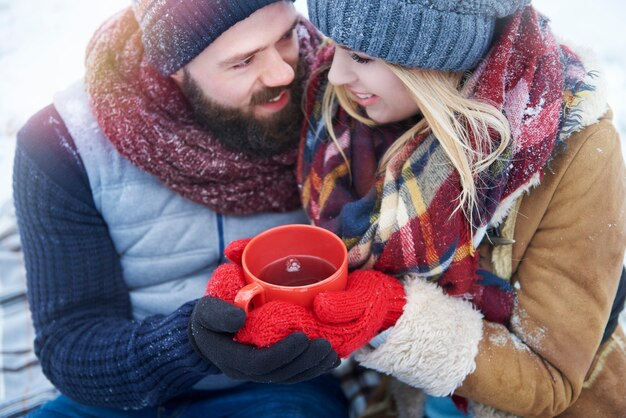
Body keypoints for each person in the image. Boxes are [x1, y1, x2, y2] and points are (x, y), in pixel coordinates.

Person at [13, 1, 350, 416]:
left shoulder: (342, 95)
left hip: (273, 389)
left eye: (285, 36)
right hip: (117, 394)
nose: (283, 72)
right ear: (172, 68)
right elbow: (70, 341)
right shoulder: (64, 143)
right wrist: (189, 344)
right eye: (243, 61)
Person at [292, 0, 626, 416]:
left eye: (362, 55)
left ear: (438, 57)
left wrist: (392, 316)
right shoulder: (339, 107)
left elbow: (550, 378)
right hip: (405, 401)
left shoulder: (575, 150)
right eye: (335, 43)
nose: (336, 72)